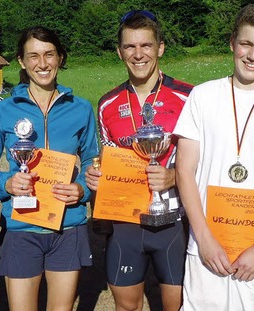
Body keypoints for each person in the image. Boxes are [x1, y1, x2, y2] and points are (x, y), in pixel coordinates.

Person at [173, 3, 254, 310]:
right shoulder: (202, 96)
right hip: (208, 247)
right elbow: (184, 171)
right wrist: (204, 239)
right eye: (246, 44)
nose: (253, 55)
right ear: (232, 43)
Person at [0, 26, 99, 311]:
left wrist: (82, 188)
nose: (42, 63)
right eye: (33, 56)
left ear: (60, 57)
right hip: (21, 227)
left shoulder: (81, 109)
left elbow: (92, 162)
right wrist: (6, 184)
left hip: (68, 227)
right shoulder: (2, 111)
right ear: (21, 61)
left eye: (49, 54)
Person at [84, 10, 192, 311]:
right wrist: (97, 179)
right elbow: (106, 156)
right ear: (120, 52)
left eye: (146, 45)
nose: (138, 54)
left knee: (177, 306)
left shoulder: (188, 97)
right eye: (130, 47)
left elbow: (207, 159)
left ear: (160, 48)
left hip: (175, 221)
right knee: (127, 307)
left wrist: (173, 178)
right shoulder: (107, 103)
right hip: (126, 223)